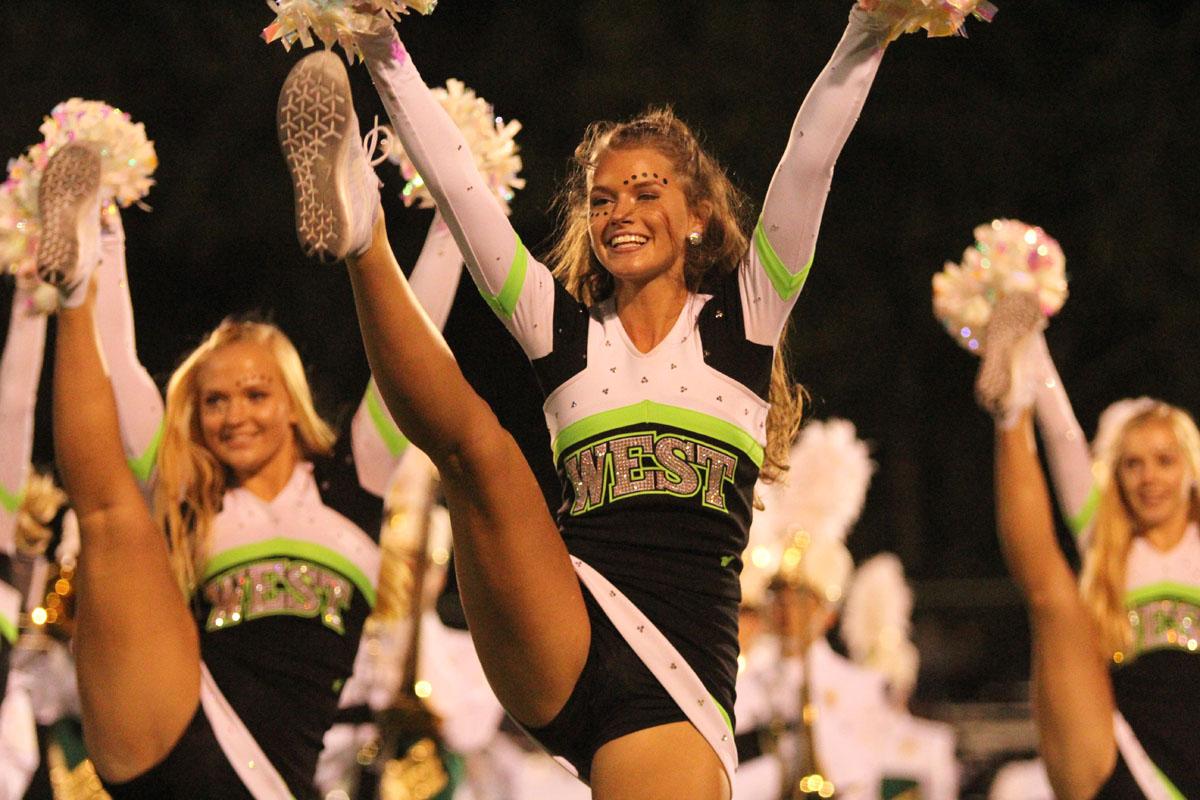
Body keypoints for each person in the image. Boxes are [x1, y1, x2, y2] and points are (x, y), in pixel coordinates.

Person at [275, 4, 915, 794]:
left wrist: (869, 29)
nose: (621, 213)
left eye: (646, 193)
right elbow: (462, 189)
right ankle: (362, 233)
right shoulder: (562, 331)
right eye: (603, 199)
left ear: (697, 217)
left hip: (674, 678)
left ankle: (361, 232)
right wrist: (380, 45)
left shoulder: (747, 320)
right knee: (479, 450)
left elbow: (809, 160)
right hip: (561, 624)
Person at [38, 137, 460, 797]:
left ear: (291, 403)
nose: (235, 416)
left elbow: (415, 345)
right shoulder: (190, 488)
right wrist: (108, 238)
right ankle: (73, 289)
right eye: (214, 401)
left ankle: (76, 282)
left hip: (276, 779)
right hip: (175, 722)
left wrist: (454, 216)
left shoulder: (354, 479)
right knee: (108, 515)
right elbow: (122, 370)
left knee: (113, 515)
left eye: (256, 395)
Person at [980, 291, 1199, 799]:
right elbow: (1064, 439)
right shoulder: (1107, 542)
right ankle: (1011, 411)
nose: (1150, 479)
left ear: (1190, 469)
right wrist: (1026, 331)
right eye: (1133, 463)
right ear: (1115, 475)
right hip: (1114, 748)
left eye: (1165, 461)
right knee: (1054, 596)